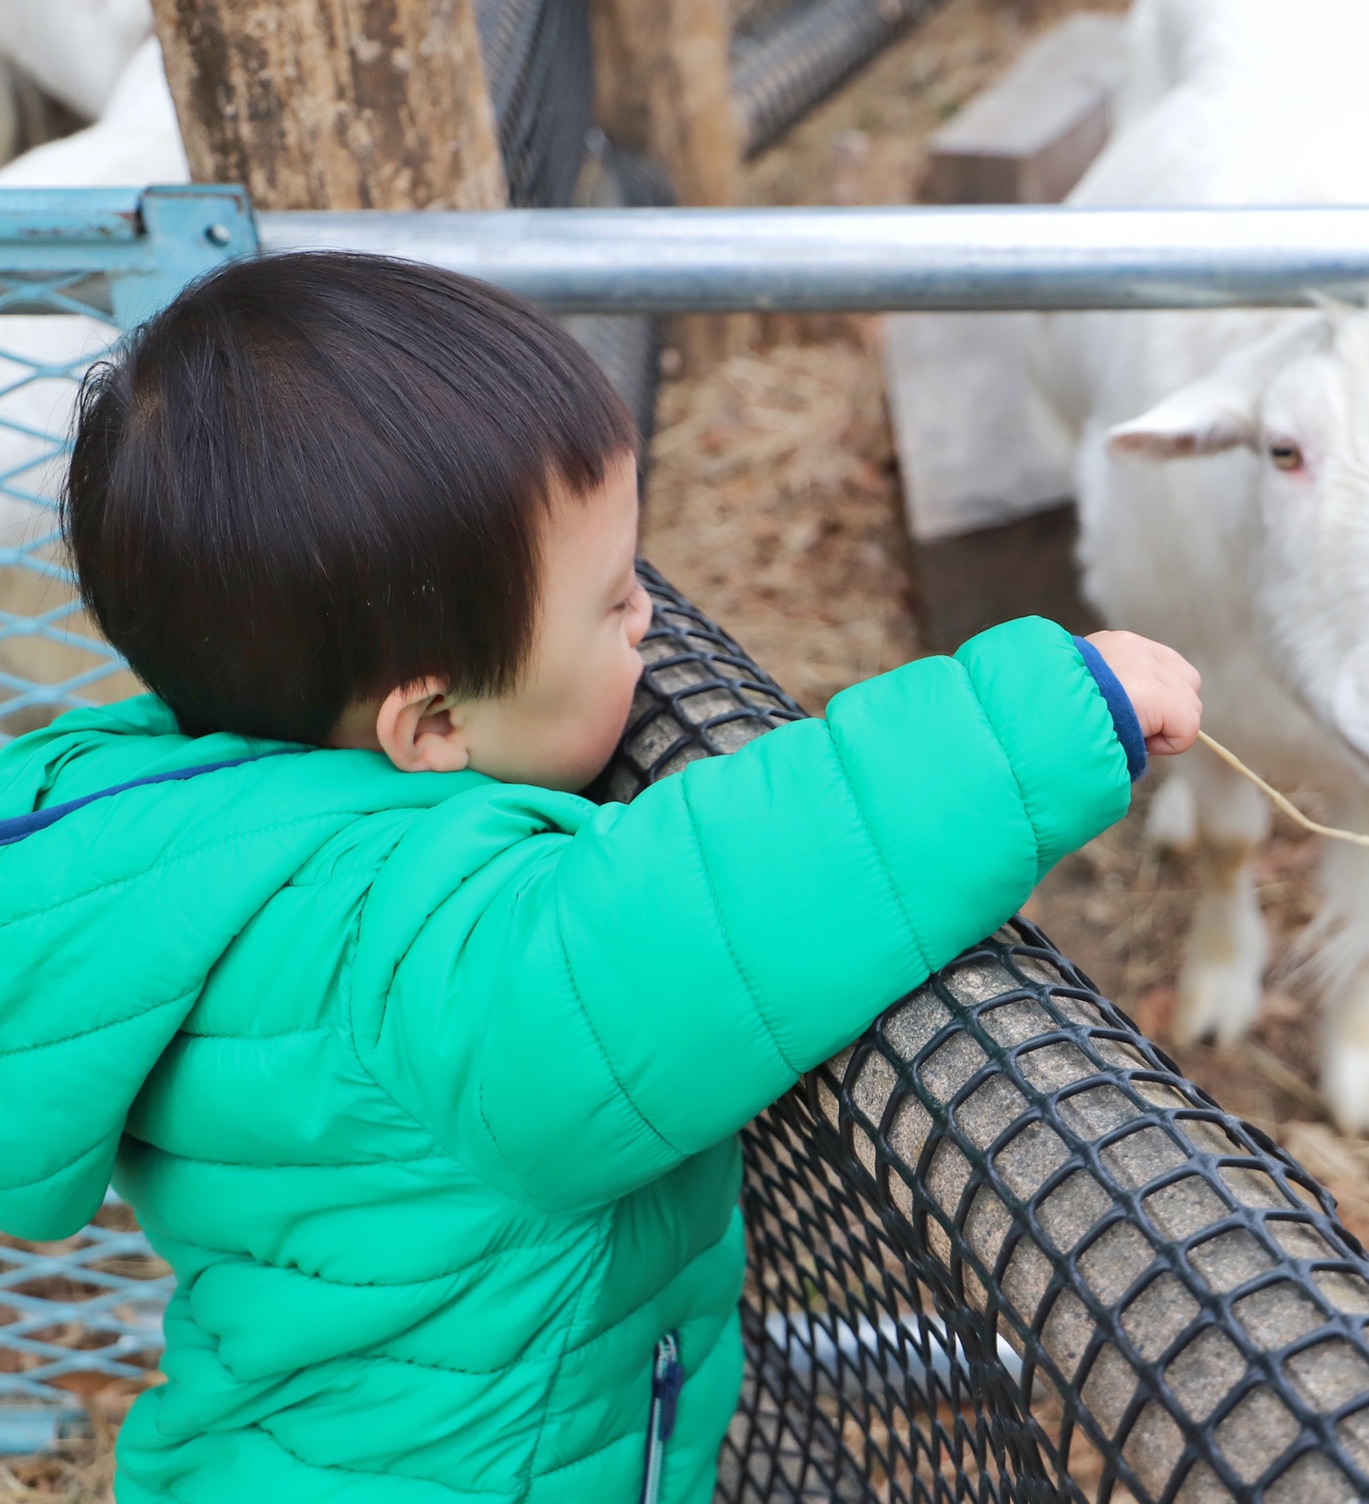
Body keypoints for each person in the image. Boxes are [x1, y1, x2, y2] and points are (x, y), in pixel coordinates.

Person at [0, 252, 1202, 1504]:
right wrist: (1034, 726)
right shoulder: (404, 940)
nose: (649, 624)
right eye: (616, 598)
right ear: (434, 726)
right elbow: (701, 916)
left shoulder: (190, 839)